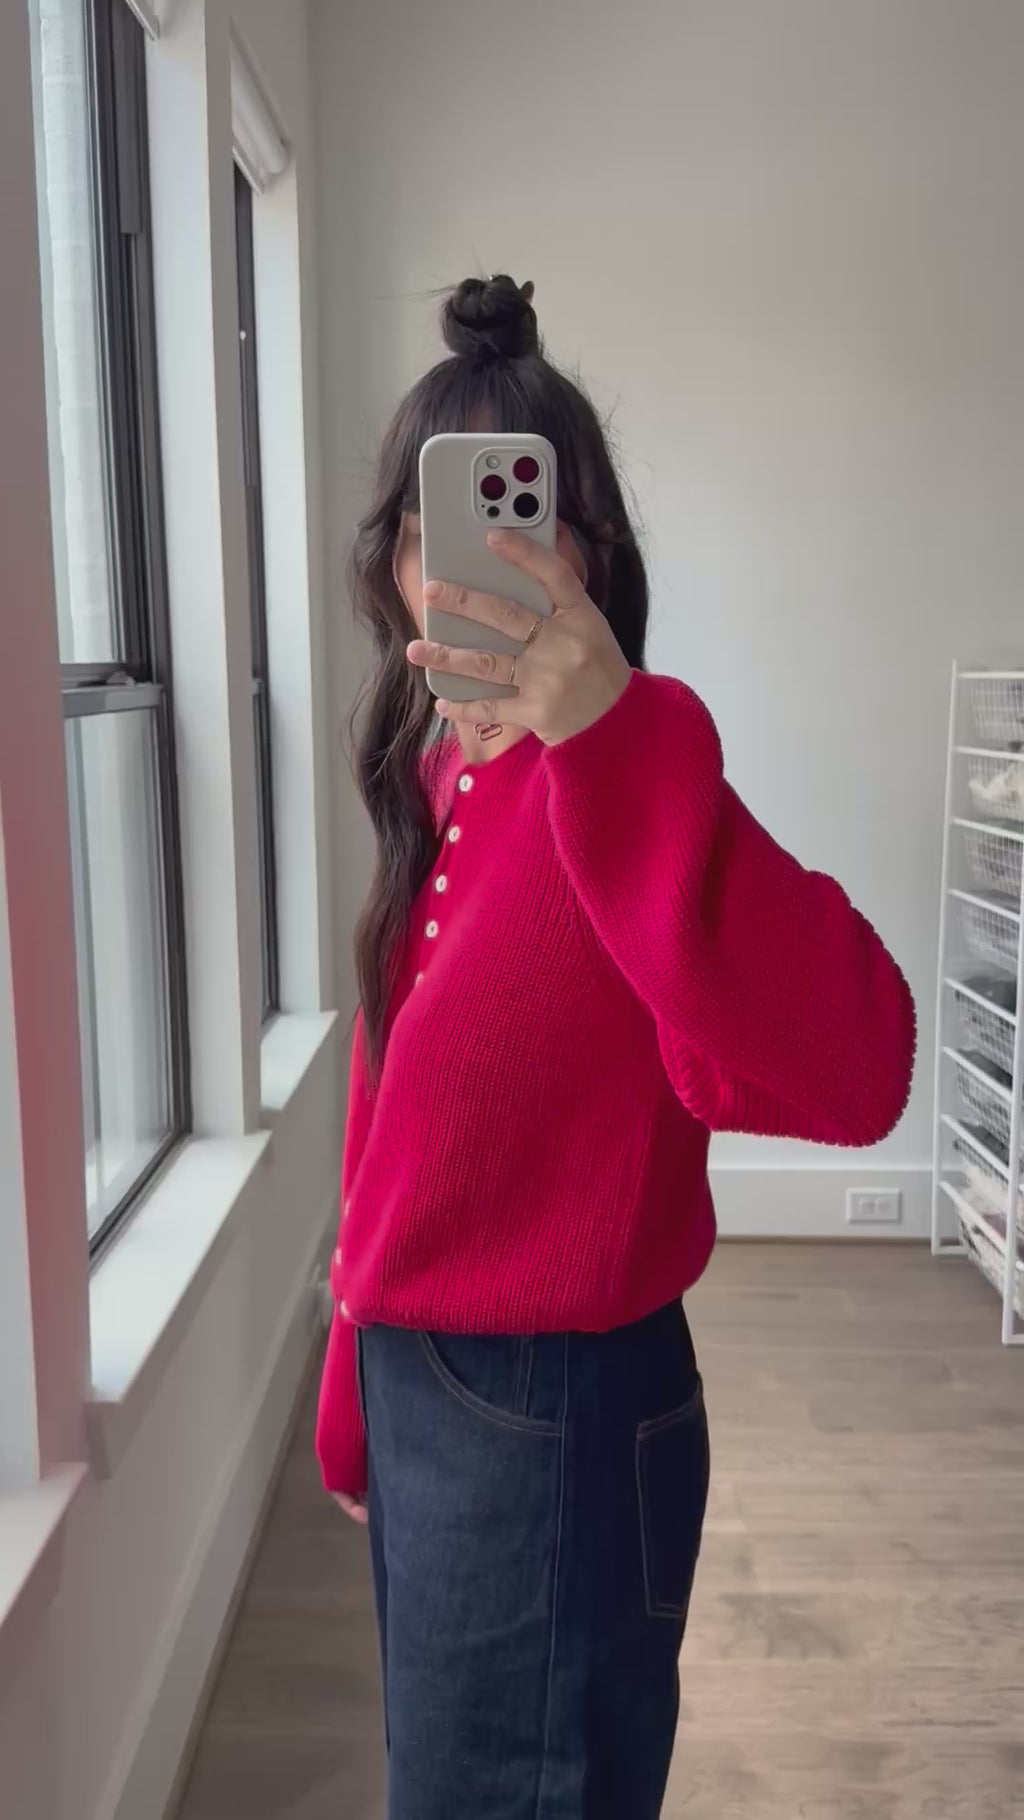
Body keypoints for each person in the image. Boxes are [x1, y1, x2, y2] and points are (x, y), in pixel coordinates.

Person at [316, 274, 915, 1820]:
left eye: (526, 519)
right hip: (434, 1394)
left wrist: (617, 741)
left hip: (557, 1421)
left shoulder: (640, 767)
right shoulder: (436, 774)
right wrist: (354, 1369)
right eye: (433, 527)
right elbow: (396, 1114)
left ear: (590, 559)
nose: (469, 566)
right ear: (395, 563)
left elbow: (859, 1069)